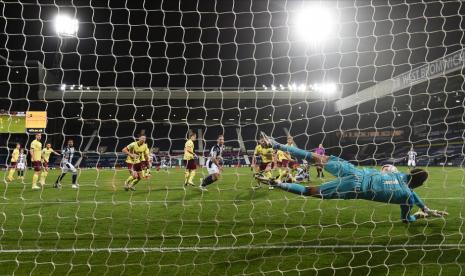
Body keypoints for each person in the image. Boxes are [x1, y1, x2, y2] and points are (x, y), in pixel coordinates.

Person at [257, 132, 448, 223]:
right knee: (311, 191)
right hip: (355, 189)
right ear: (418, 185)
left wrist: (424, 207)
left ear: (411, 173)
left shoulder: (397, 172)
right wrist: (420, 213)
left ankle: (276, 144)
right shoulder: (406, 195)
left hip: (354, 172)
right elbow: (407, 217)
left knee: (313, 157)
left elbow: (389, 169)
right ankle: (278, 183)